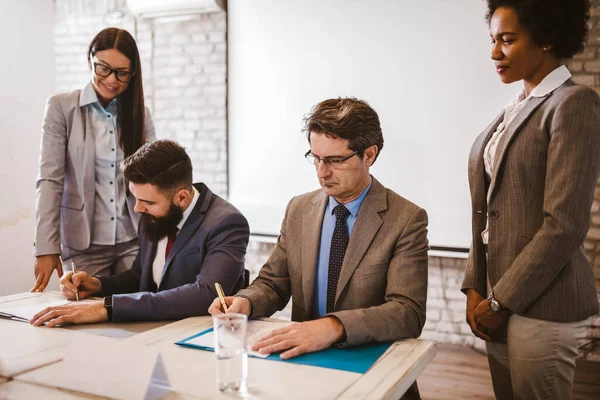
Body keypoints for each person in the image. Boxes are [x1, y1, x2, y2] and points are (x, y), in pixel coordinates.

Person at [209, 98, 428, 400]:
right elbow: (274, 282)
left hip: (372, 373)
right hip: (302, 371)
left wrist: (333, 327)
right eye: (315, 158)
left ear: (370, 155)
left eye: (336, 160)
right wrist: (246, 302)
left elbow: (407, 312)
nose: (322, 172)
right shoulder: (299, 208)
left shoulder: (405, 219)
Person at [461, 1, 600, 399]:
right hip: (496, 301)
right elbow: (488, 211)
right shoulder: (513, 110)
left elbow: (564, 224)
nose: (494, 53)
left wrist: (500, 301)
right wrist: (476, 285)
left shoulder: (574, 104)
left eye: (507, 40)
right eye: (492, 40)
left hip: (544, 305)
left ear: (548, 37)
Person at [31, 139, 250, 325]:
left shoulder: (227, 223)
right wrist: (97, 285)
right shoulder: (153, 214)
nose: (137, 208)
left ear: (181, 198)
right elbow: (141, 277)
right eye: (136, 198)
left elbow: (205, 294)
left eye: (147, 201)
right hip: (148, 329)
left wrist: (105, 308)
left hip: (195, 334)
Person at [32, 28, 156, 292]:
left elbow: (153, 180)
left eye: (122, 73)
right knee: (86, 319)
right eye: (103, 68)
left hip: (133, 240)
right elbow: (50, 180)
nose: (112, 80)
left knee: (140, 316)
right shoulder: (61, 108)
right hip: (82, 246)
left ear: (133, 74)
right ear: (90, 60)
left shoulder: (139, 114)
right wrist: (46, 247)